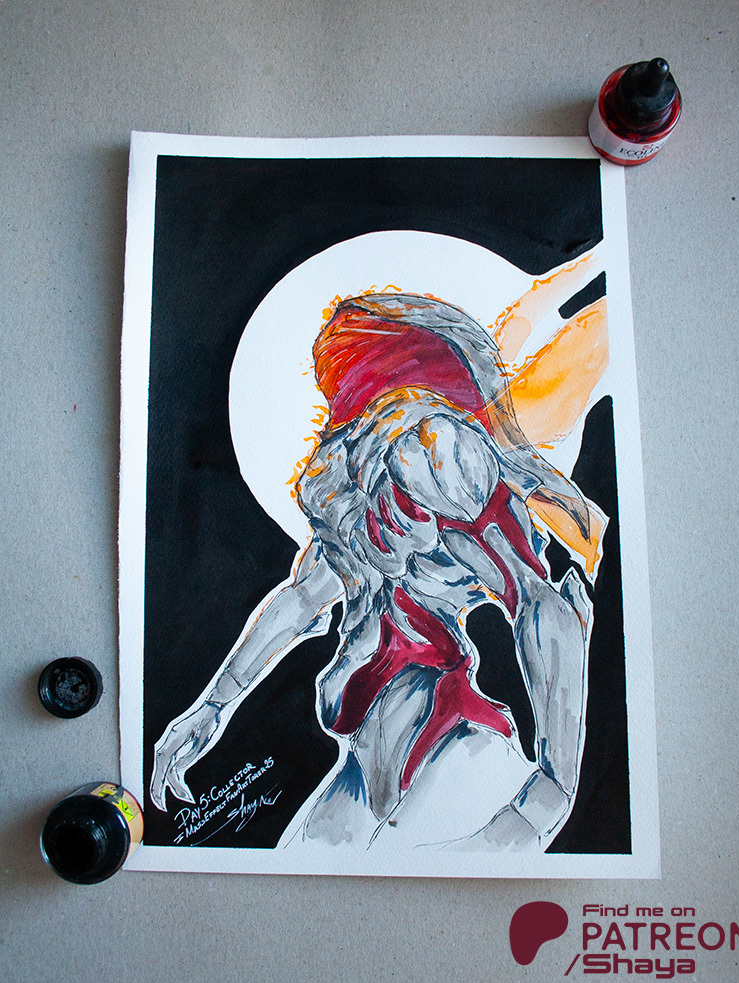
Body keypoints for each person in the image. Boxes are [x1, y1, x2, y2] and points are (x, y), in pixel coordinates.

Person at [151, 281, 607, 852]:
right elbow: (300, 598)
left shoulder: (439, 458)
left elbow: (540, 601)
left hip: (452, 747)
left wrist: (552, 791)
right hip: (361, 769)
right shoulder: (361, 511)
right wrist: (212, 705)